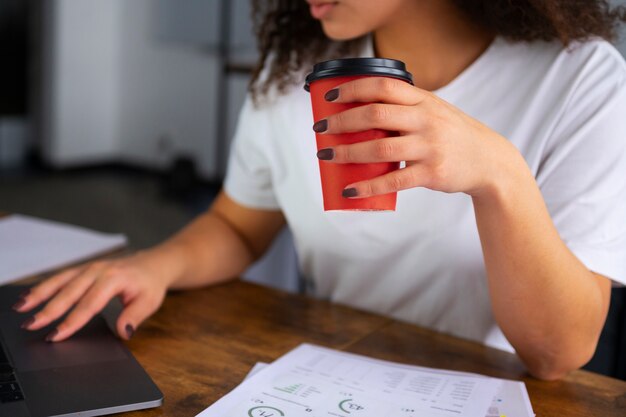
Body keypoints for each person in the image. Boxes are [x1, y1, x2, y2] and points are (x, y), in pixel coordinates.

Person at [13, 0, 626, 380]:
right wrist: (154, 266)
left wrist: (500, 175)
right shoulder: (294, 65)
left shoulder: (580, 77)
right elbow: (236, 224)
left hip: (485, 389)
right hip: (329, 375)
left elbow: (558, 353)